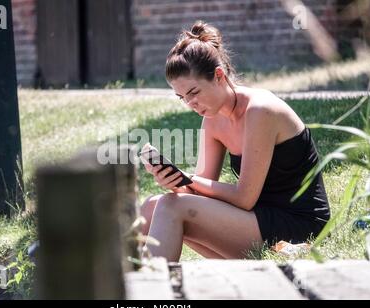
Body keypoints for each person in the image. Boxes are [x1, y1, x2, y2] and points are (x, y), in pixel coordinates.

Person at [140, 21, 330, 262]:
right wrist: (175, 181)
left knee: (170, 207)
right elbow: (198, 195)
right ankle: (116, 289)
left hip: (297, 225)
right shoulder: (213, 120)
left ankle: (153, 293)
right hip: (255, 219)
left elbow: (244, 197)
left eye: (194, 93)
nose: (190, 104)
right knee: (152, 205)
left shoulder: (260, 109)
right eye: (182, 98)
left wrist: (190, 180)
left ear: (219, 75)